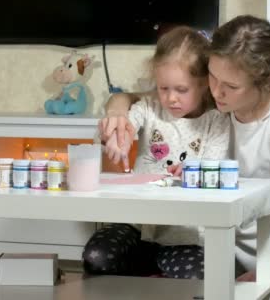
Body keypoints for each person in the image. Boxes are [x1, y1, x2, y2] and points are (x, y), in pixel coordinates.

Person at [99, 15, 270, 299]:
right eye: (212, 77)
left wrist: (268, 272)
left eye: (230, 85)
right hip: (228, 259)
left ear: (266, 82)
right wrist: (117, 111)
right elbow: (140, 98)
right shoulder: (220, 104)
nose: (216, 91)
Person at [83, 26, 230, 280]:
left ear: (205, 85)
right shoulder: (148, 108)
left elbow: (213, 166)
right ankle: (150, 274)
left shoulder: (216, 121)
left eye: (181, 90)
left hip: (183, 235)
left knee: (199, 274)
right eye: (164, 88)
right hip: (137, 226)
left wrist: (195, 170)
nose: (171, 98)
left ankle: (154, 276)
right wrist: (118, 138)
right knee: (96, 257)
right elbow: (124, 127)